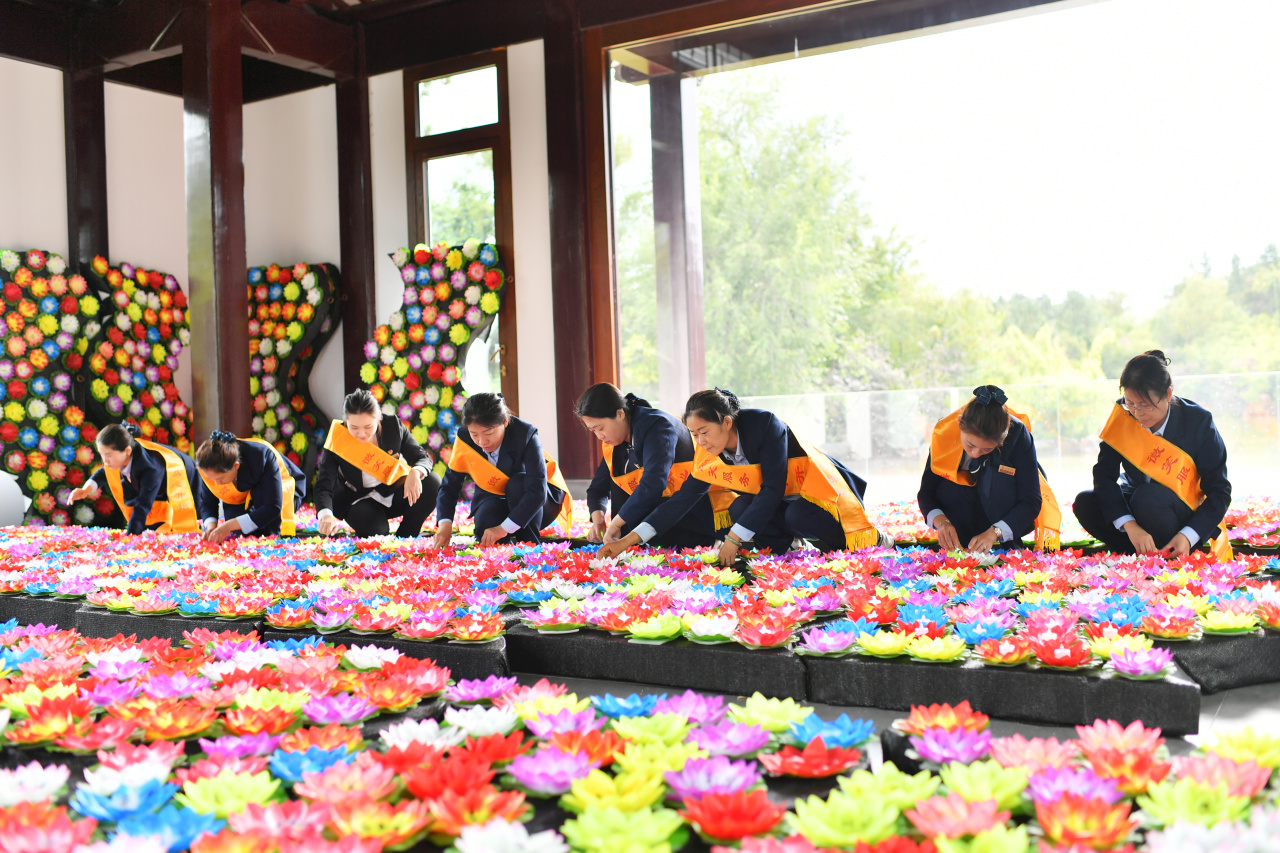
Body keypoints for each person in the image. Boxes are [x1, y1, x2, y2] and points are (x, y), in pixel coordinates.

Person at [597, 388, 892, 564]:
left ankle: (864, 544)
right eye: (694, 434)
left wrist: (734, 539)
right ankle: (789, 548)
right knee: (738, 508)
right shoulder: (708, 451)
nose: (700, 442)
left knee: (796, 517)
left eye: (704, 432)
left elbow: (773, 488)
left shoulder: (765, 425)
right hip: (779, 503)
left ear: (726, 422)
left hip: (815, 496)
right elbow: (682, 501)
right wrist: (627, 541)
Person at [1073, 350, 1232, 558]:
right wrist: (1130, 526)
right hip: (1137, 509)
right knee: (1085, 502)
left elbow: (1220, 491)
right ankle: (1138, 550)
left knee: (1147, 498)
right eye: (1131, 404)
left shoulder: (1198, 421)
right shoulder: (1124, 417)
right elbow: (1104, 477)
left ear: (1167, 394)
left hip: (1179, 512)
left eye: (1145, 406)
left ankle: (1174, 548)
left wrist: (1188, 535)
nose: (1138, 414)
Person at [918, 385, 1060, 552]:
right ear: (959, 424)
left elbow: (1031, 501)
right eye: (970, 445)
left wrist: (995, 532)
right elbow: (926, 492)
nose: (976, 454)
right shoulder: (944, 432)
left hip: (1006, 515)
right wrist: (942, 522)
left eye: (987, 449)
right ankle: (960, 542)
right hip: (961, 515)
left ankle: (1006, 544)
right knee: (948, 486)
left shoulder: (1018, 434)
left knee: (998, 477)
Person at [578, 383, 716, 549]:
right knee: (617, 478)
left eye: (600, 428)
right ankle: (627, 541)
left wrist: (616, 523)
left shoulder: (658, 426)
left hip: (685, 511)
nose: (599, 436)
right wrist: (598, 520)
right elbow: (598, 488)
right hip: (651, 513)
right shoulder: (615, 440)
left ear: (620, 414)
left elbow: (654, 484)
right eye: (593, 431)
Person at [433, 393, 571, 547]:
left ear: (505, 422)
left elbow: (536, 491)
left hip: (535, 502)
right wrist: (445, 524)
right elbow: (449, 485)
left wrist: (503, 528)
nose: (481, 441)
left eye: (489, 433)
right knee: (487, 532)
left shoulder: (526, 434)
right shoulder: (464, 438)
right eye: (474, 434)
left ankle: (529, 544)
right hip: (494, 498)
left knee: (517, 483)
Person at [314, 389, 441, 538]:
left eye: (368, 427)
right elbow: (324, 483)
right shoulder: (338, 439)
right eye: (354, 427)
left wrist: (415, 472)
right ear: (346, 422)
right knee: (377, 532)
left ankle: (406, 536)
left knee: (433, 483)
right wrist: (325, 515)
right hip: (358, 500)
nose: (361, 434)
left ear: (378, 418)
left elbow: (422, 457)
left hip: (392, 492)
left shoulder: (393, 427)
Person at [68, 422, 204, 534]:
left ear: (127, 451)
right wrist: (85, 490)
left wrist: (130, 537)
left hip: (188, 481)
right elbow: (104, 472)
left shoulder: (149, 468)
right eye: (102, 455)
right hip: (158, 487)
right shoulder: (120, 459)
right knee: (150, 527)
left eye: (108, 455)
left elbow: (143, 504)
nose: (105, 460)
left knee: (187, 529)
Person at [195, 430, 306, 543]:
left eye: (220, 479)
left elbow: (272, 507)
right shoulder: (210, 466)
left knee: (263, 532)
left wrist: (228, 526)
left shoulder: (261, 456)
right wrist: (211, 528)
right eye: (211, 479)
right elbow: (207, 502)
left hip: (281, 489)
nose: (216, 484)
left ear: (236, 466)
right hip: (244, 492)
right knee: (240, 535)